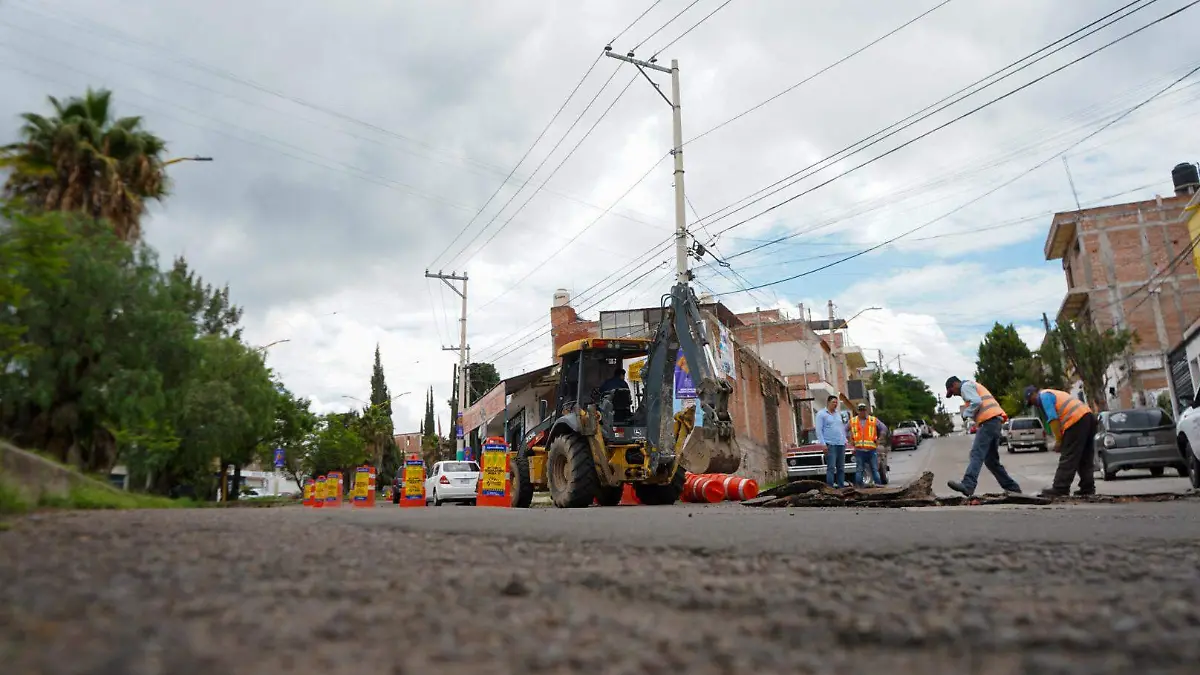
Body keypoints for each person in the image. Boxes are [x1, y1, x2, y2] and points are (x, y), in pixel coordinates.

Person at [945, 376, 1022, 496]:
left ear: (955, 384)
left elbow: (976, 401)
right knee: (991, 461)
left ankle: (968, 484)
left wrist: (966, 413)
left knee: (976, 453)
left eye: (952, 391)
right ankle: (1013, 489)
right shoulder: (972, 385)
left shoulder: (965, 386)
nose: (954, 395)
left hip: (988, 422)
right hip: (995, 421)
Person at [1025, 385, 1096, 497]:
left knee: (1068, 455)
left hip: (1076, 420)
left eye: (1032, 401)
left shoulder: (1044, 396)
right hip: (1088, 416)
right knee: (1085, 456)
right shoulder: (1053, 393)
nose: (1034, 404)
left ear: (1034, 394)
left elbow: (1053, 418)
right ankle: (1088, 487)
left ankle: (1060, 488)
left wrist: (1059, 441)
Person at [846, 403, 889, 488]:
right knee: (859, 470)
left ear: (866, 410)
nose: (862, 412)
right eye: (860, 410)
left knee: (874, 469)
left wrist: (880, 438)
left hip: (871, 450)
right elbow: (844, 430)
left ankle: (878, 486)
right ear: (858, 411)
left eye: (864, 410)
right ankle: (859, 488)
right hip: (859, 450)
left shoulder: (873, 420)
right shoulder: (852, 421)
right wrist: (848, 441)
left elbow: (884, 428)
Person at [815, 395, 848, 488]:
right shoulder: (821, 414)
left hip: (840, 444)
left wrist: (845, 439)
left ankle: (841, 487)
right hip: (830, 445)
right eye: (834, 402)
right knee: (831, 467)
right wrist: (823, 444)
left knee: (841, 468)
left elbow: (841, 428)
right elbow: (819, 430)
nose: (835, 404)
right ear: (828, 403)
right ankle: (830, 488)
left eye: (837, 402)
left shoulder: (838, 414)